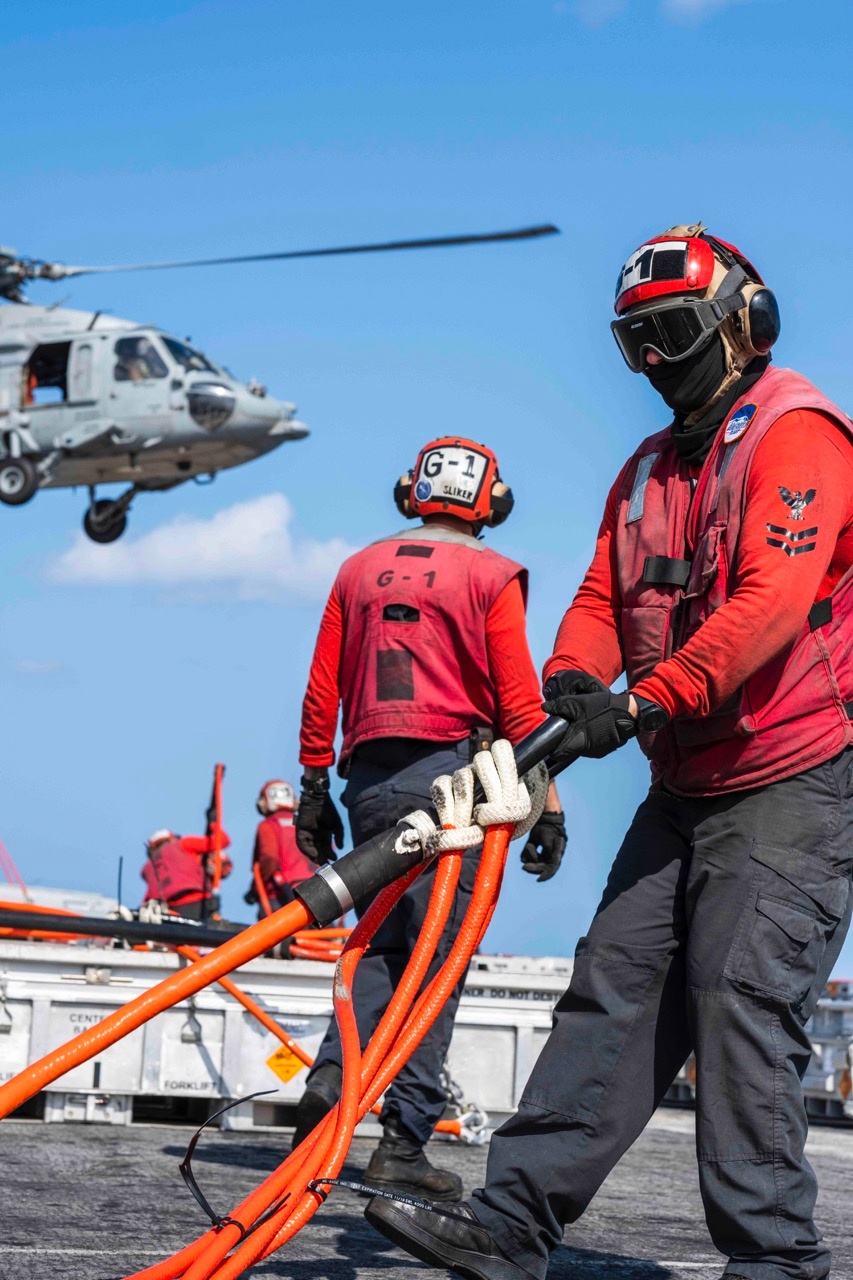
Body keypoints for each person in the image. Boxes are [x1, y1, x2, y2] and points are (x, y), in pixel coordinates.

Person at [365, 226, 853, 1280]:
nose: (654, 363)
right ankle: (508, 1223)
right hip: (684, 778)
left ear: (742, 322)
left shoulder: (797, 434)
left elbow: (775, 597)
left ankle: (774, 1260)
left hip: (792, 779)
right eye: (634, 343)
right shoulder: (645, 469)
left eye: (670, 334)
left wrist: (646, 701)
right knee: (611, 988)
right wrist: (576, 681)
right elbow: (599, 593)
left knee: (739, 1000)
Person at [293, 435, 566, 1201]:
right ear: (492, 504)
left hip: (368, 782)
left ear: (409, 492)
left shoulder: (355, 572)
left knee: (376, 946)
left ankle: (330, 1087)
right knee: (436, 963)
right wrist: (547, 805)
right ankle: (403, 1143)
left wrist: (314, 787)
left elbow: (322, 693)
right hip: (454, 787)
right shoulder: (491, 573)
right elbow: (519, 707)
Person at [247, 779, 314, 917]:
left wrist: (253, 891)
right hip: (319, 893)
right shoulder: (308, 824)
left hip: (282, 896)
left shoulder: (268, 826)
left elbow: (269, 858)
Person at [141, 824, 232, 921]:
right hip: (199, 904)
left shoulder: (147, 868)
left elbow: (147, 900)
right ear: (172, 838)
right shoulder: (183, 844)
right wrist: (213, 823)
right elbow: (223, 840)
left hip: (167, 914)